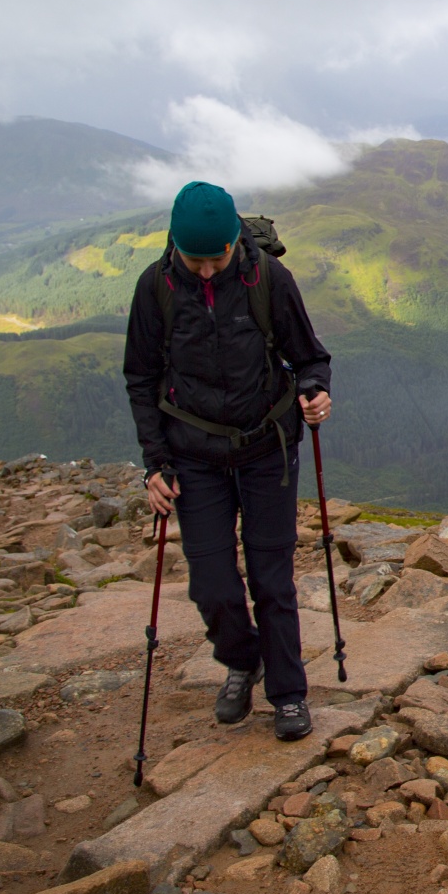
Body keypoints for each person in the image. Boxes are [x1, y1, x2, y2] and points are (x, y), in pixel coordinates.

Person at [123, 181, 333, 741]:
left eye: (217, 257)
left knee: (272, 578)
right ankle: (244, 661)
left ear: (234, 240)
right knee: (211, 584)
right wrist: (155, 464)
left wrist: (314, 389)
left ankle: (288, 694)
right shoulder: (156, 289)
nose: (209, 271)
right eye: (197, 260)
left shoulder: (268, 279)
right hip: (194, 457)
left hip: (266, 450)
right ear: (176, 247)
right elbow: (141, 379)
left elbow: (308, 356)